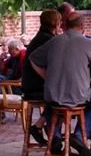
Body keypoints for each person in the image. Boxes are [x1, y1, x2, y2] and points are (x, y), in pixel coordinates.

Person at [29, 12, 91, 156]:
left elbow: (33, 58)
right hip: (78, 96)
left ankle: (55, 136)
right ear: (82, 26)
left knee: (53, 104)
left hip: (52, 94)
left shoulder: (54, 41)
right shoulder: (88, 43)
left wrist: (46, 76)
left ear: (65, 25)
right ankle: (79, 136)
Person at [21, 9, 62, 145]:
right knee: (62, 98)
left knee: (60, 96)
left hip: (30, 84)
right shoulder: (48, 40)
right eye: (59, 22)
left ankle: (51, 132)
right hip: (36, 86)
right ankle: (51, 134)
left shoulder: (40, 37)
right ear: (55, 23)